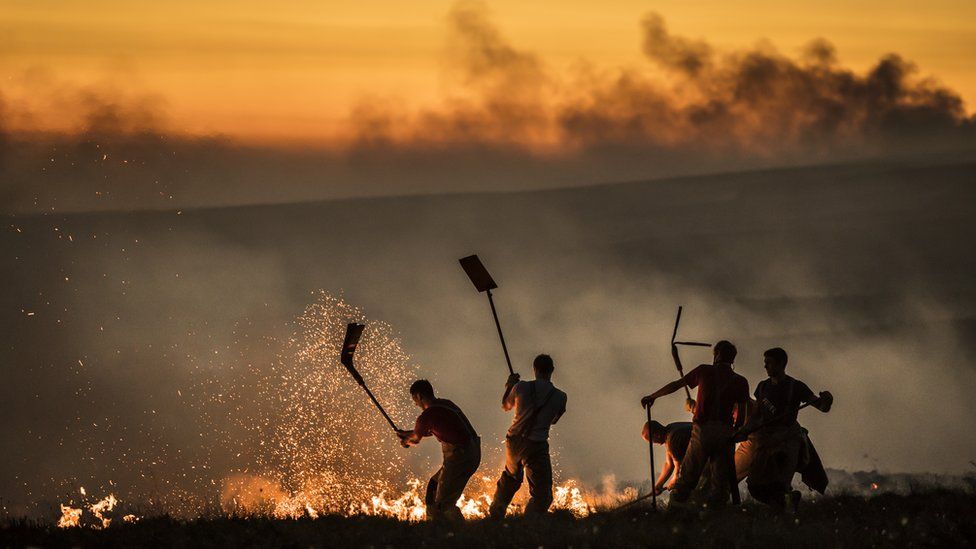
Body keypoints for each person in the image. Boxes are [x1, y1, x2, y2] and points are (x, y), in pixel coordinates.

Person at [640, 340, 750, 507]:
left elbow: (676, 385)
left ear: (717, 354)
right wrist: (736, 431)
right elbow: (742, 413)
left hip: (702, 432)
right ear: (733, 358)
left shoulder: (705, 371)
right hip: (726, 434)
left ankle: (673, 515)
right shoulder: (740, 381)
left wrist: (653, 396)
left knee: (686, 480)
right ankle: (715, 521)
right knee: (720, 486)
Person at [734, 347, 833, 510]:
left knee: (778, 483)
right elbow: (756, 415)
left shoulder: (796, 387)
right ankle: (787, 501)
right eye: (765, 363)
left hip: (786, 441)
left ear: (781, 364)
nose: (765, 366)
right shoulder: (762, 387)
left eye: (769, 363)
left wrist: (827, 401)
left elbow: (821, 407)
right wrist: (744, 431)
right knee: (754, 486)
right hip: (764, 440)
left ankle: (784, 507)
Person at [489, 354, 568, 520]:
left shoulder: (521, 387)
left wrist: (510, 385)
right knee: (542, 494)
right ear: (552, 370)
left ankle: (495, 516)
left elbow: (505, 406)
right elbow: (554, 420)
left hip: (514, 441)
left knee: (510, 479)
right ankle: (530, 523)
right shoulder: (560, 396)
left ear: (534, 369)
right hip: (537, 444)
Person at [396, 379, 481, 522]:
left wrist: (405, 441)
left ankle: (460, 534)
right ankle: (433, 523)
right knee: (433, 486)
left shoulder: (426, 416)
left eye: (414, 399)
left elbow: (416, 439)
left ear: (418, 396)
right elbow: (432, 429)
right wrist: (407, 433)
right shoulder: (446, 404)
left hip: (459, 457)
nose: (415, 403)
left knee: (444, 504)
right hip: (472, 452)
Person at [642, 420, 693, 495]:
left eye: (652, 441)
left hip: (709, 454)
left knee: (678, 495)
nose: (653, 443)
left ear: (657, 435)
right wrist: (658, 486)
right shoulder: (670, 430)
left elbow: (678, 470)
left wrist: (673, 481)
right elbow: (669, 464)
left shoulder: (672, 439)